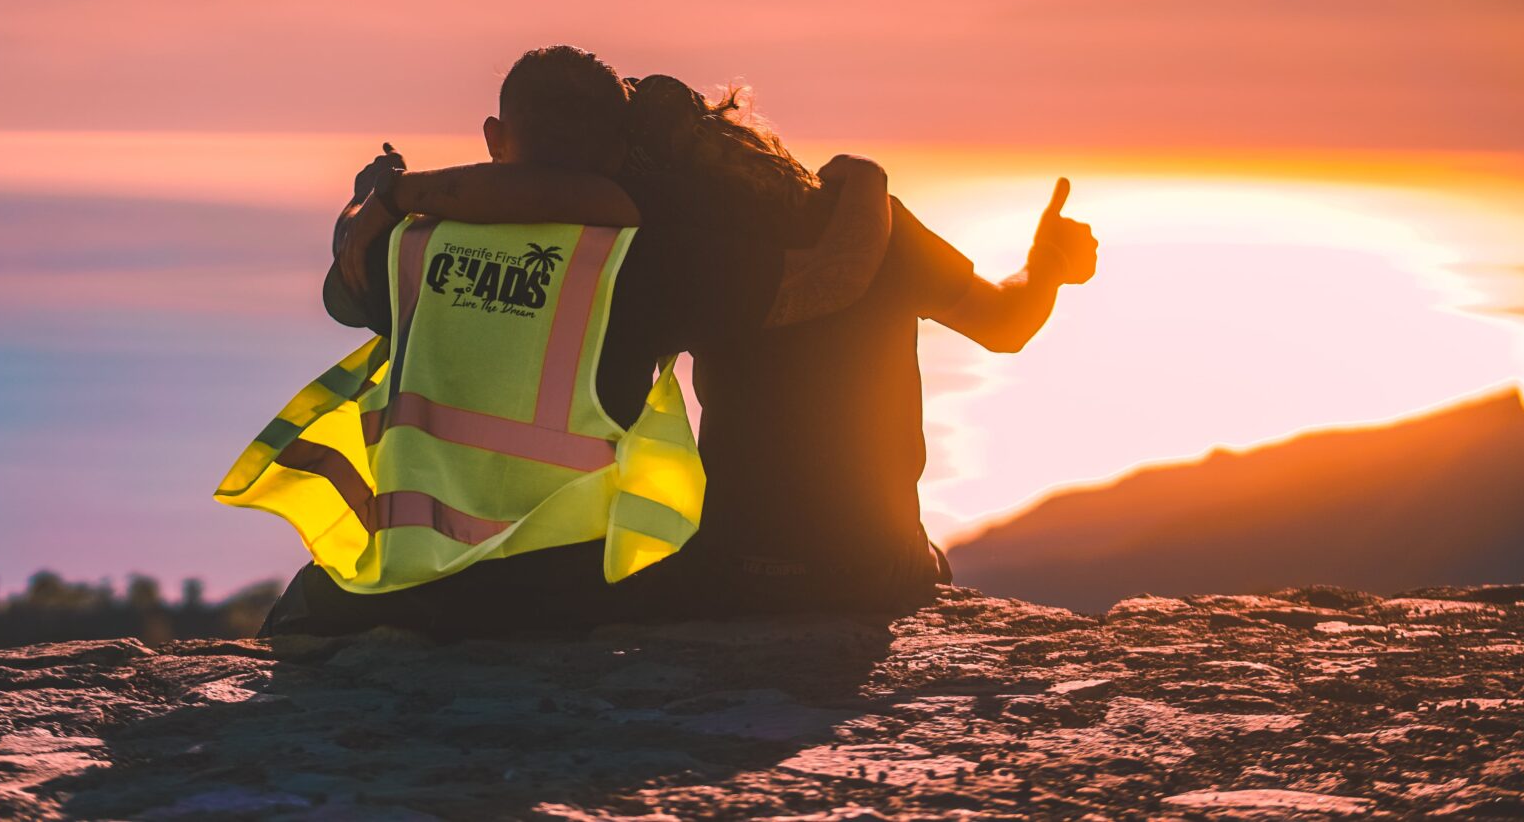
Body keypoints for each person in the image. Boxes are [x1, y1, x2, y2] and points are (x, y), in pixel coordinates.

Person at [351, 72, 1098, 618]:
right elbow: (1007, 324)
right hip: (876, 570)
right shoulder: (869, 222)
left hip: (734, 572)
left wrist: (391, 195)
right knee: (927, 560)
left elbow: (541, 203)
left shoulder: (661, 252)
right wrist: (1049, 265)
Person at [230, 46, 895, 636]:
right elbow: (831, 281)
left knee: (295, 621)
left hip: (410, 580)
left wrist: (377, 194)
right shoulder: (648, 258)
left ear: (494, 137)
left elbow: (343, 286)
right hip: (567, 597)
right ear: (615, 154)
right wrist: (867, 182)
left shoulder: (408, 244)